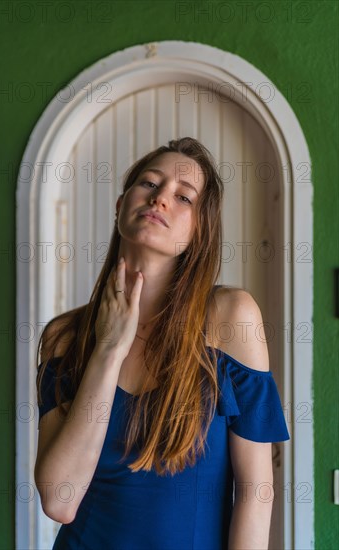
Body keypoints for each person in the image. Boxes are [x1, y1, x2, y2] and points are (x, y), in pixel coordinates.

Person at [34, 137, 290, 549]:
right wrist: (108, 350)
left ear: (199, 230)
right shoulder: (64, 337)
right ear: (120, 205)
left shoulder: (231, 318)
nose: (161, 199)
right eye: (150, 184)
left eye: (183, 197)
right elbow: (59, 501)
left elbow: (257, 493)